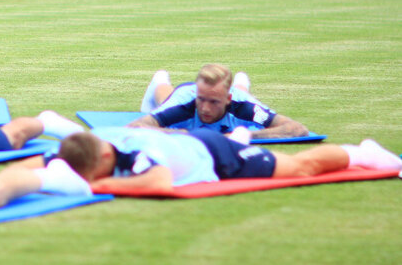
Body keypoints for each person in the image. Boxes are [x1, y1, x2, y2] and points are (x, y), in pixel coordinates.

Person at [53, 127, 402, 192]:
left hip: (217, 156)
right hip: (192, 146)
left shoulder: (136, 156)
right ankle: (238, 139)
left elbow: (158, 182)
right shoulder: (93, 147)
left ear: (103, 156)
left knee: (299, 167)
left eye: (91, 171)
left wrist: (98, 185)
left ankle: (363, 152)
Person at [130, 64, 308, 142]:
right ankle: (160, 80)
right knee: (165, 99)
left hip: (238, 97)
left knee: (243, 95)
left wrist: (240, 136)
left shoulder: (243, 107)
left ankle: (241, 84)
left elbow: (297, 129)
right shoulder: (186, 104)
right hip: (181, 94)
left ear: (227, 101)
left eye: (214, 102)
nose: (205, 108)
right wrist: (184, 134)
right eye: (202, 100)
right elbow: (136, 127)